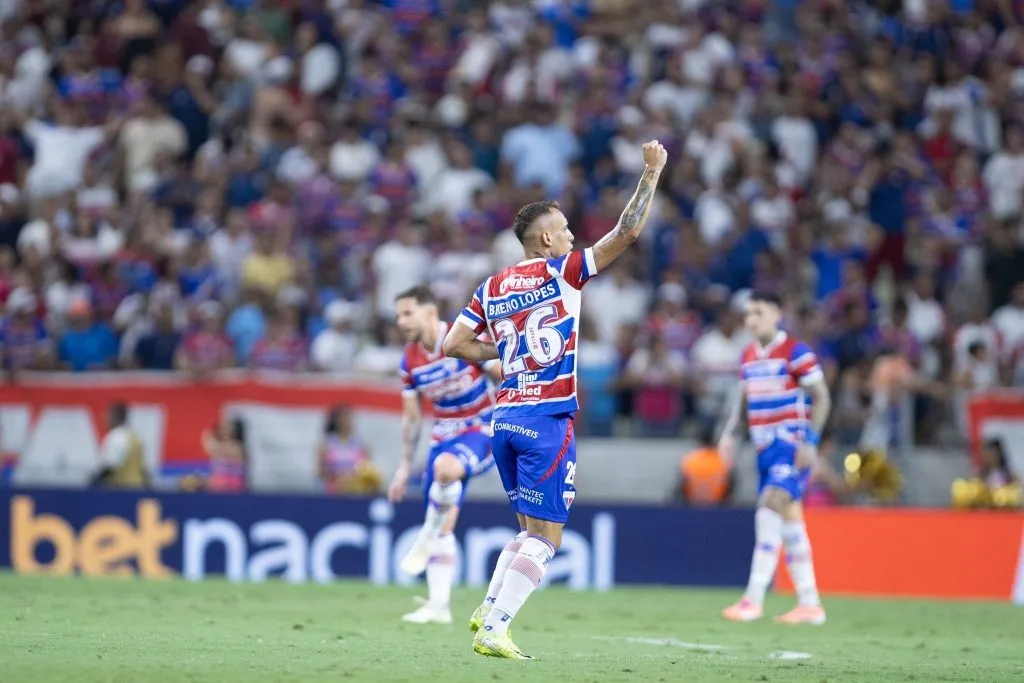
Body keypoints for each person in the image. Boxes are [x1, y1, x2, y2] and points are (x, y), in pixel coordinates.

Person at [443, 140, 668, 659]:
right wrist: (651, 173)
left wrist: (501, 359)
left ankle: (487, 606)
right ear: (546, 238)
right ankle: (496, 627)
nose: (571, 236)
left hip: (504, 417)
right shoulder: (564, 271)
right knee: (548, 538)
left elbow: (453, 345)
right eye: (565, 229)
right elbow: (628, 231)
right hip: (547, 418)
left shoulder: (491, 286)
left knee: (527, 529)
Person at [386, 285, 501, 625]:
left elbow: (504, 373)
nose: (400, 321)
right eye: (398, 315)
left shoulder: (461, 339)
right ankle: (439, 606)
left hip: (482, 429)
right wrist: (404, 467)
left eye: (407, 313)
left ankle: (426, 534)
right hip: (443, 437)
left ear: (430, 313)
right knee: (445, 523)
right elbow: (411, 418)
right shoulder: (409, 360)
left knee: (445, 471)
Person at [719, 290, 833, 625]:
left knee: (769, 506)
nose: (751, 319)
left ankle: (753, 599)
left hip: (791, 445)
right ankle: (810, 603)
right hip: (763, 448)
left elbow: (822, 398)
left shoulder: (796, 352)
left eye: (758, 312)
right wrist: (729, 434)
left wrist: (810, 441)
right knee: (791, 523)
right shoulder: (748, 356)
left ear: (776, 314)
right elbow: (743, 401)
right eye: (747, 314)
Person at [320, 404, 380, 495]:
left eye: (347, 417)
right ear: (335, 420)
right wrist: (336, 476)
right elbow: (319, 471)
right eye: (342, 418)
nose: (345, 421)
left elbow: (368, 470)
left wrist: (352, 476)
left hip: (356, 492)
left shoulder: (362, 444)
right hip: (332, 492)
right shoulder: (326, 444)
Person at [90, 402, 149, 488]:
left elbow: (110, 466)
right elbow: (143, 470)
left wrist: (93, 484)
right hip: (138, 488)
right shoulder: (135, 437)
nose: (104, 418)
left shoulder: (117, 436)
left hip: (121, 489)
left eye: (107, 415)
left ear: (114, 416)